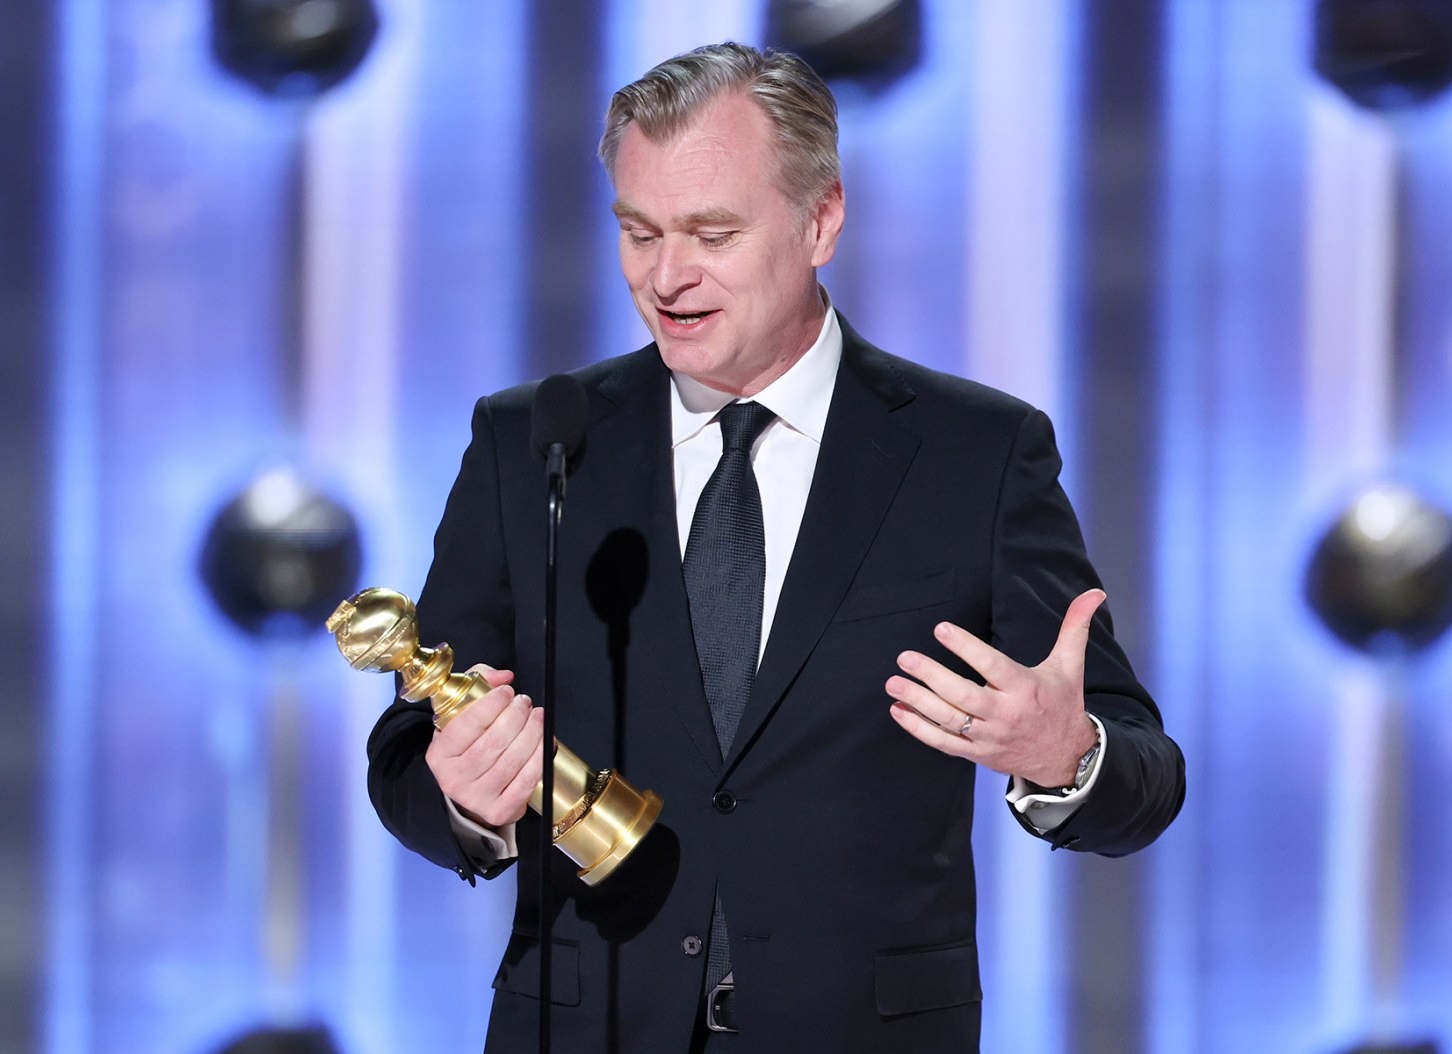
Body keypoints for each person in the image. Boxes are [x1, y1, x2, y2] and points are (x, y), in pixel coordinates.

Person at [366, 41, 1184, 1053]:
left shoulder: (974, 453)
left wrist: (1065, 756)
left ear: (821, 220)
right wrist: (460, 793)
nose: (667, 276)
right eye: (638, 231)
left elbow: (1145, 779)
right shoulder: (530, 441)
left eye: (712, 232)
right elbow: (404, 756)